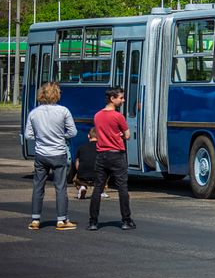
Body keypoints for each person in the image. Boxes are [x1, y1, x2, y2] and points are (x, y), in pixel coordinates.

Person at [25, 81, 78, 230]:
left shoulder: (34, 113)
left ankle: (35, 220)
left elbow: (28, 135)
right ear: (56, 94)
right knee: (60, 187)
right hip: (58, 153)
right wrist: (61, 136)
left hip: (41, 154)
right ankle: (62, 220)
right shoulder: (63, 111)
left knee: (38, 186)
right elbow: (73, 132)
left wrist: (41, 137)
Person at [88, 88, 135, 231]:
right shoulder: (118, 116)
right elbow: (127, 136)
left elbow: (101, 133)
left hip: (101, 155)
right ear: (112, 99)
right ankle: (126, 220)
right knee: (122, 188)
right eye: (121, 98)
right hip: (117, 155)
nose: (123, 100)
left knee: (98, 188)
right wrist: (119, 135)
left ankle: (93, 222)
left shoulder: (97, 116)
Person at [72, 128, 108, 200]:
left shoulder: (81, 148)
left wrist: (79, 171)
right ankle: (101, 190)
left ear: (88, 136)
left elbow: (77, 164)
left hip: (82, 176)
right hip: (97, 177)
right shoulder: (102, 148)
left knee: (76, 179)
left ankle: (82, 187)